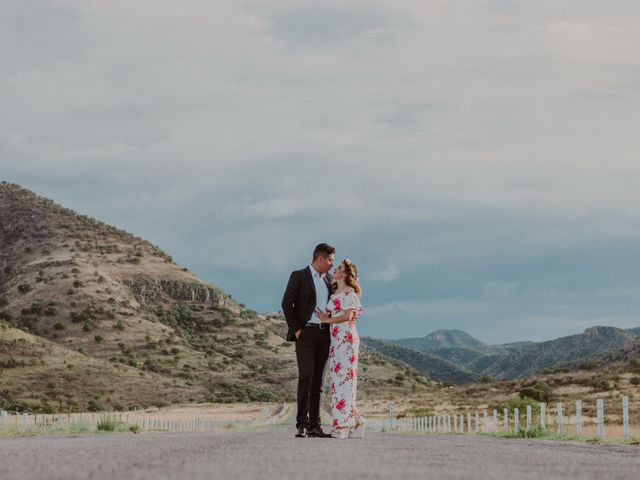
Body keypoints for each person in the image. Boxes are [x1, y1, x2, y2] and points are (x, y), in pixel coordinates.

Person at [281, 243, 335, 438]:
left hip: (324, 334)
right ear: (320, 259)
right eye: (330, 260)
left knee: (318, 383)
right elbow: (287, 303)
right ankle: (302, 425)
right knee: (306, 378)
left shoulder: (329, 279)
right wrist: (296, 329)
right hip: (305, 334)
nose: (331, 264)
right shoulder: (299, 276)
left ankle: (315, 425)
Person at [314, 258, 364, 439]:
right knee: (338, 382)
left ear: (345, 274)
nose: (335, 269)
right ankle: (355, 420)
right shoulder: (335, 292)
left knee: (345, 382)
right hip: (335, 341)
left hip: (347, 340)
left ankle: (343, 426)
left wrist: (327, 320)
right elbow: (333, 313)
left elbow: (348, 316)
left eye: (339, 268)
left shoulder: (350, 293)